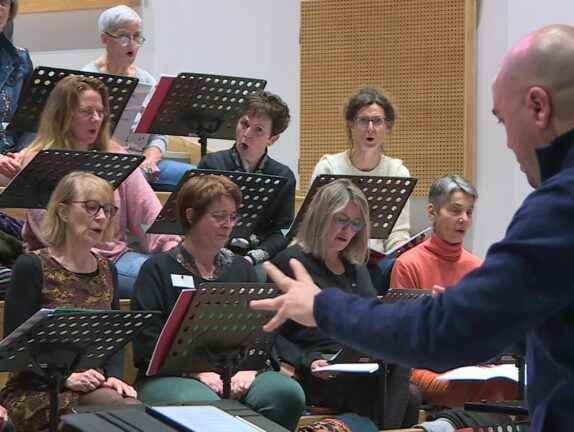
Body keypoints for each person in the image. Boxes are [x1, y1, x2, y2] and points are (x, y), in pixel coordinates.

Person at [251, 25, 574, 432]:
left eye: (502, 119)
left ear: (537, 107)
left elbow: (449, 333)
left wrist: (322, 305)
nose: (506, 141)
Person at [131, 175, 304, 431]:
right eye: (219, 216)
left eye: (232, 217)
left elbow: (260, 331)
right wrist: (197, 373)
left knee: (285, 392)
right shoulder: (157, 269)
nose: (228, 225)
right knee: (206, 405)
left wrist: (250, 370)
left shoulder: (240, 268)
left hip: (234, 372)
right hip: (172, 376)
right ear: (191, 216)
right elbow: (147, 342)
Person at [271, 179, 419, 429]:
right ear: (320, 216)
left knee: (405, 382)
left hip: (358, 363)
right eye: (341, 219)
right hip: (318, 370)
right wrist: (308, 360)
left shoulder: (356, 267)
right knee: (405, 394)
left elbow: (372, 319)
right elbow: (270, 333)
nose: (347, 230)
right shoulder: (291, 261)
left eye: (355, 224)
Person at [1, 172, 140, 431]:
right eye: (91, 207)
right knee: (121, 412)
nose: (101, 216)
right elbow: (14, 348)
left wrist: (114, 379)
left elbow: (113, 341)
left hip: (93, 387)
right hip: (36, 390)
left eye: (108, 210)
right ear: (63, 212)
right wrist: (66, 378)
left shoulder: (108, 269)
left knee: (129, 407)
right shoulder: (32, 266)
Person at [19, 75, 180, 298]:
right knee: (161, 283)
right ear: (63, 115)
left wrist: (175, 253)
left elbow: (148, 210)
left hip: (117, 257)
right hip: (64, 263)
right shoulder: (39, 162)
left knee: (177, 277)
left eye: (100, 112)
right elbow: (50, 232)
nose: (96, 119)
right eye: (86, 112)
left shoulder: (114, 156)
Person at [390, 175, 518, 408]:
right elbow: (405, 339)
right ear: (432, 213)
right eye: (456, 211)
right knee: (462, 388)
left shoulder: (478, 267)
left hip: (469, 364)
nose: (464, 219)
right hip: (422, 367)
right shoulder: (408, 264)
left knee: (508, 382)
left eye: (469, 212)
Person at [82, 5, 194, 191]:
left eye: (136, 36)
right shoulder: (86, 79)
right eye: (124, 36)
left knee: (199, 179)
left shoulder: (146, 80)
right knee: (132, 178)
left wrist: (151, 158)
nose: (132, 43)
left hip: (143, 160)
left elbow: (158, 131)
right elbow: (79, 129)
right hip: (103, 161)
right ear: (104, 38)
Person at [198, 90, 296, 272]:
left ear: (272, 139)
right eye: (244, 124)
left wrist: (254, 257)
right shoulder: (211, 165)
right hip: (213, 249)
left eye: (258, 130)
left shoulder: (284, 176)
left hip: (257, 255)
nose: (246, 134)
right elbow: (199, 221)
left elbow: (281, 232)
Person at [310, 87, 411, 253]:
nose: (370, 128)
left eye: (377, 121)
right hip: (333, 254)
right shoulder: (329, 167)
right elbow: (314, 224)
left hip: (376, 260)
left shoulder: (397, 172)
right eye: (363, 121)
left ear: (388, 126)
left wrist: (398, 252)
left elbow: (398, 231)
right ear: (351, 124)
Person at [0, 0, 33, 180]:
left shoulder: (21, 59)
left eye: (3, 2)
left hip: (13, 159)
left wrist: (25, 153)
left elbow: (31, 120)